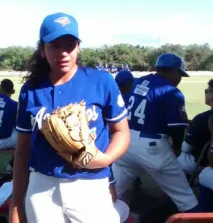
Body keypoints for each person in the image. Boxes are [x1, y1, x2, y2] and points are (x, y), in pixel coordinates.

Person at [9, 12, 130, 223]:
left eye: (70, 45)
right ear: (42, 50)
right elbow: (22, 150)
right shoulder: (31, 89)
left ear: (78, 47)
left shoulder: (100, 81)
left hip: (89, 183)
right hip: (42, 186)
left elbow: (121, 132)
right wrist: (16, 200)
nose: (63, 53)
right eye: (55, 46)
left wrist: (106, 159)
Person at [112, 53, 199, 213]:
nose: (179, 78)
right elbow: (177, 128)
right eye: (179, 74)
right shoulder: (172, 91)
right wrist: (177, 146)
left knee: (112, 193)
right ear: (173, 71)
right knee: (186, 198)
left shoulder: (138, 81)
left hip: (126, 143)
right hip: (152, 146)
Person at [177, 79, 213, 173]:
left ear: (212, 94)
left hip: (201, 163)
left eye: (206, 91)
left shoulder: (201, 118)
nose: (204, 94)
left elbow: (185, 148)